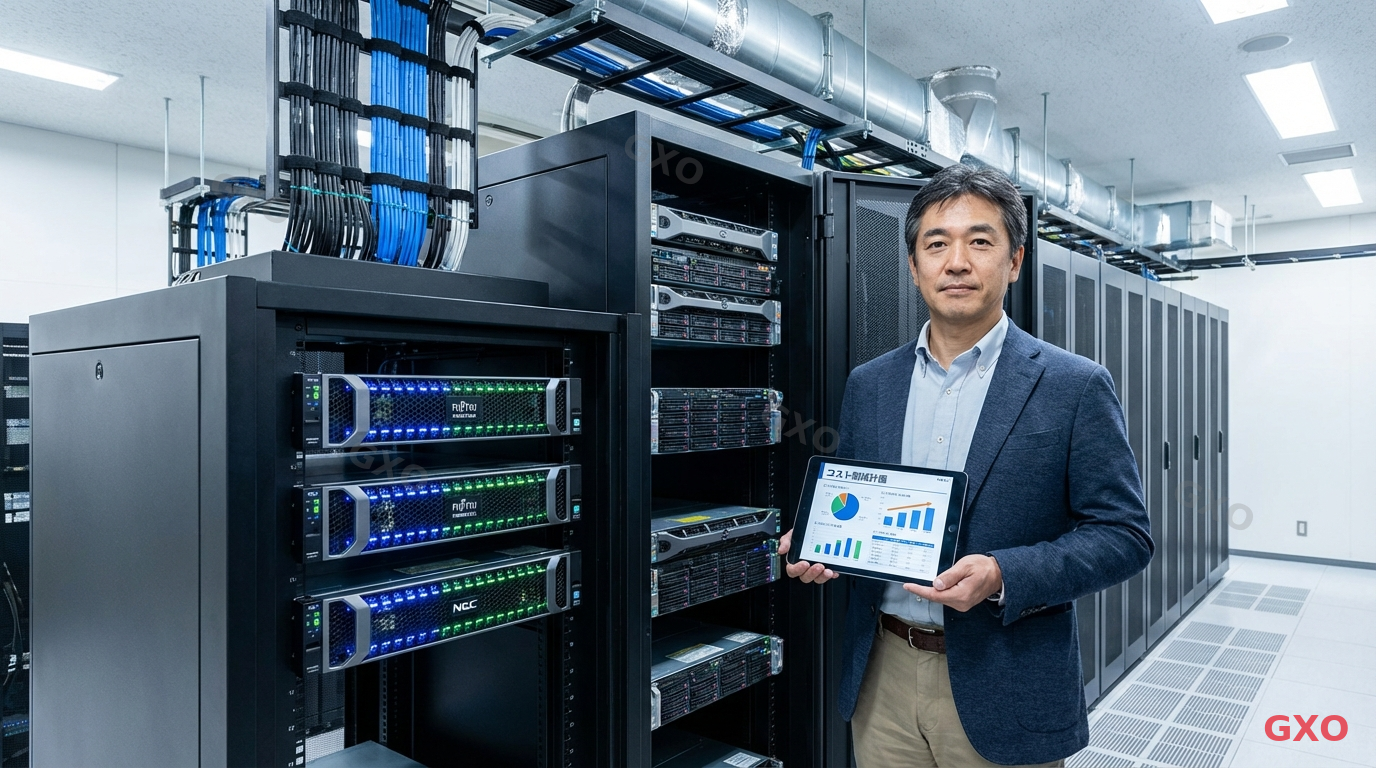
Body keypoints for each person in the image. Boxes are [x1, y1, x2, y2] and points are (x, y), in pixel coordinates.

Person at [778, 164, 1153, 767]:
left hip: (1005, 678)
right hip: (882, 674)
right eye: (936, 244)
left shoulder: (1072, 385)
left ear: (1014, 260)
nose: (956, 262)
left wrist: (1004, 573)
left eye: (979, 241)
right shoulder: (871, 384)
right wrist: (823, 539)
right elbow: (857, 499)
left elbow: (1125, 536)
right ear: (913, 265)